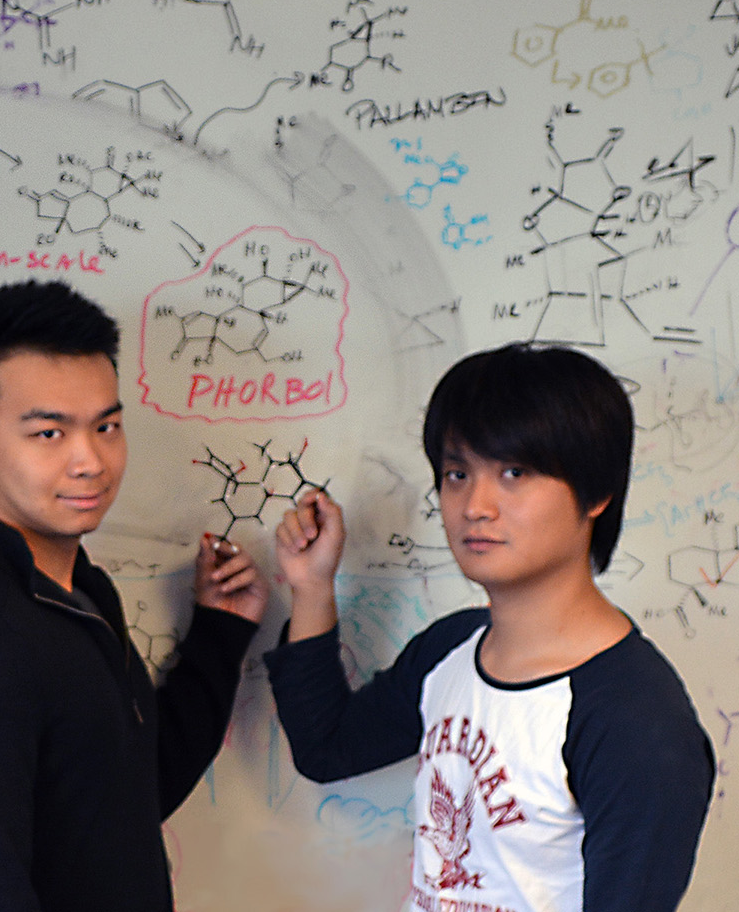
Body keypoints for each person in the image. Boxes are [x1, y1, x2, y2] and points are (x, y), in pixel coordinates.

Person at [266, 343, 714, 912]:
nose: (475, 504)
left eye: (514, 472)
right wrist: (310, 586)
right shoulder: (450, 649)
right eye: (457, 473)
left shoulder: (636, 723)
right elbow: (327, 748)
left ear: (597, 492)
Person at [0, 278, 269, 912]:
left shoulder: (78, 590)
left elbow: (130, 795)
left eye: (106, 426)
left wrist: (220, 633)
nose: (90, 460)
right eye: (49, 434)